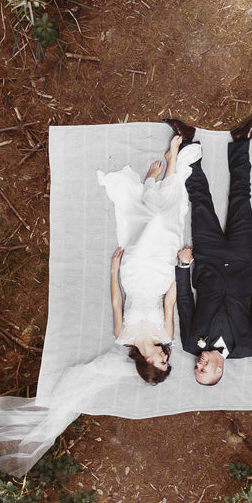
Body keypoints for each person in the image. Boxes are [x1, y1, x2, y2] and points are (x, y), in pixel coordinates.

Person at [166, 113, 252, 386]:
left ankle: (188, 141)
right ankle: (241, 141)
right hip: (241, 259)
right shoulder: (246, 347)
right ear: (219, 371)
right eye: (203, 370)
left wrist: (184, 266)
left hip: (208, 259)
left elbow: (185, 302)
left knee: (199, 199)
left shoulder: (192, 343)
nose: (198, 365)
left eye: (196, 370)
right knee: (241, 197)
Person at [97, 131, 201, 384]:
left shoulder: (123, 337)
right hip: (160, 276)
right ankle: (170, 162)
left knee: (152, 222)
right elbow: (169, 303)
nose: (166, 356)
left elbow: (116, 303)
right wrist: (182, 268)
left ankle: (151, 184)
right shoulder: (166, 335)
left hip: (132, 276)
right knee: (166, 221)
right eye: (167, 360)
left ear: (147, 363)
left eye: (162, 362)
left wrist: (114, 270)